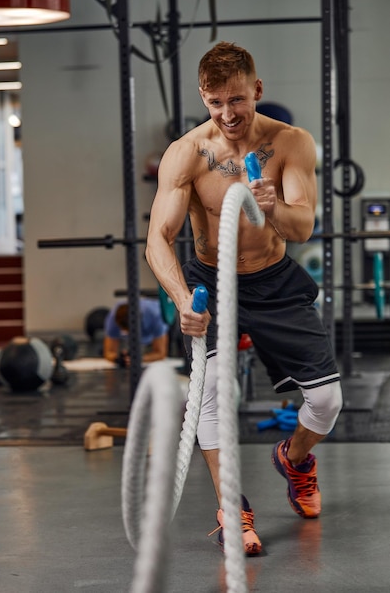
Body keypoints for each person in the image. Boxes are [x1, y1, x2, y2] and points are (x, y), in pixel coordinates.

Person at [145, 41, 343, 555]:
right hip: (212, 277)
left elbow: (302, 228)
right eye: (215, 103)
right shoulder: (187, 153)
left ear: (256, 90)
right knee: (211, 395)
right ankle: (231, 507)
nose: (228, 114)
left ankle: (295, 458)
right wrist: (183, 299)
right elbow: (157, 240)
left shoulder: (291, 143)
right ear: (203, 98)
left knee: (326, 401)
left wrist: (273, 207)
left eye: (237, 99)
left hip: (273, 279)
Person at [103, 298, 169, 366]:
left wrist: (140, 359)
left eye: (128, 330)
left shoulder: (156, 316)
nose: (127, 334)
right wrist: (118, 359)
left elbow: (160, 354)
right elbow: (108, 352)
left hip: (162, 320)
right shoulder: (113, 318)